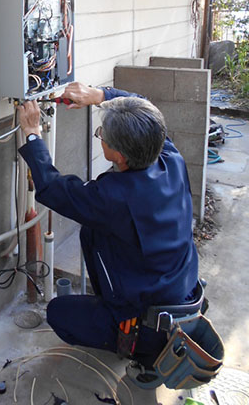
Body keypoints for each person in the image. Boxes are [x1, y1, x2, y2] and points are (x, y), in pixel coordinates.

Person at [18, 82, 199, 387]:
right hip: (182, 294)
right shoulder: (169, 157)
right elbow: (143, 104)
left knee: (58, 313)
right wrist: (98, 96)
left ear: (118, 155)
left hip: (149, 322)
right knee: (98, 236)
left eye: (102, 135)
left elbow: (51, 188)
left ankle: (142, 353)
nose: (100, 137)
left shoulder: (114, 198)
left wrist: (32, 132)